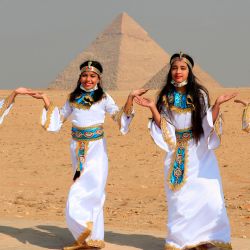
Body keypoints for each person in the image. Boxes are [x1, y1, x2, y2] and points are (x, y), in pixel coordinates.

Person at [30, 60, 146, 250]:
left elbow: (118, 116)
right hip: (77, 150)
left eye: (92, 76)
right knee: (79, 190)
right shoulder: (72, 98)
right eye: (85, 75)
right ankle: (83, 236)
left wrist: (130, 98)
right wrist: (45, 99)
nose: (88, 79)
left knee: (95, 190)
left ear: (99, 78)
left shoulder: (104, 98)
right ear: (80, 77)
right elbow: (58, 118)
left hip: (97, 149)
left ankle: (94, 239)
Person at [134, 52, 236, 250]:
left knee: (210, 197)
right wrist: (152, 108)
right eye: (174, 68)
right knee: (181, 200)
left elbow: (206, 121)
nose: (178, 72)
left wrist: (217, 105)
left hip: (201, 152)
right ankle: (182, 241)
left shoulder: (200, 94)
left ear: (189, 71)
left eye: (182, 68)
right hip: (177, 152)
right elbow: (166, 126)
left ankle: (207, 239)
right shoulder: (166, 96)